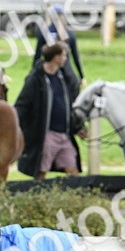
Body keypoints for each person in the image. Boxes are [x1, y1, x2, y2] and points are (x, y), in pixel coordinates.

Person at [14, 43, 86, 180]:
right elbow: (22, 105)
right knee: (40, 172)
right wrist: (15, 128)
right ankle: (37, 198)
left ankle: (74, 200)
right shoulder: (35, 79)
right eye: (64, 55)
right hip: (46, 136)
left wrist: (78, 128)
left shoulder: (62, 78)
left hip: (64, 136)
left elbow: (68, 106)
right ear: (56, 57)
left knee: (73, 171)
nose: (66, 58)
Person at [32, 5, 85, 85]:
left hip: (49, 69)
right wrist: (81, 76)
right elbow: (75, 57)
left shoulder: (44, 32)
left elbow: (37, 56)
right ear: (63, 16)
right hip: (66, 71)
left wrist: (33, 73)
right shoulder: (69, 34)